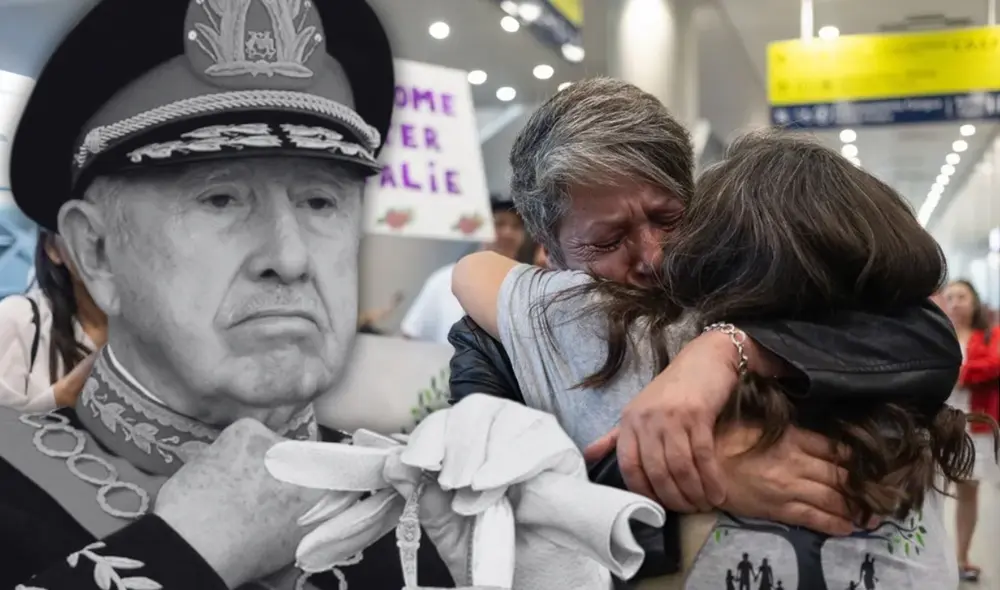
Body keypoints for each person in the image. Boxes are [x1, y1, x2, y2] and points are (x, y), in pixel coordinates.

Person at [0, 0, 456, 588]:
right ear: (97, 252)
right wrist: (181, 553)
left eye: (319, 201)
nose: (290, 259)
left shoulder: (419, 507)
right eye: (220, 199)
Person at [447, 78, 962, 578]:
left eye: (668, 217)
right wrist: (690, 473)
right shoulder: (502, 337)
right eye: (607, 241)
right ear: (551, 250)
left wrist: (730, 346)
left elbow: (926, 337)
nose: (656, 257)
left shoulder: (754, 296)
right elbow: (484, 508)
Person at [0, 230, 105, 411]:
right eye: (87, 231)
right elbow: (7, 433)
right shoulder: (19, 318)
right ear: (53, 248)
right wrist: (61, 396)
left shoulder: (157, 332)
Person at [400, 196, 525, 344]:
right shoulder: (444, 279)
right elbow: (410, 335)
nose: (508, 233)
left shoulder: (527, 286)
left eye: (516, 226)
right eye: (499, 223)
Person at [942, 279, 1000, 582]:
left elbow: (995, 363)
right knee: (930, 491)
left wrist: (957, 375)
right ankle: (935, 555)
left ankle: (961, 556)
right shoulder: (937, 334)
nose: (955, 303)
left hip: (974, 426)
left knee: (968, 492)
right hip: (937, 425)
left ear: (974, 301)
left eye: (961, 296)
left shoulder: (989, 335)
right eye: (950, 297)